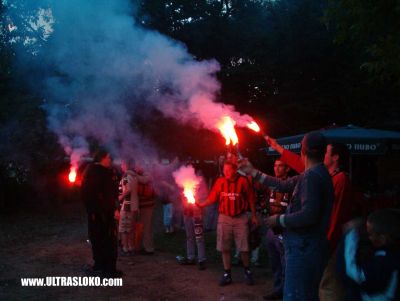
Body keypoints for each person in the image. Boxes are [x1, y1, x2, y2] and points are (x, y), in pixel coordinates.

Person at [240, 131, 334, 301]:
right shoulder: (315, 174)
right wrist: (253, 172)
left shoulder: (312, 177)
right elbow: (281, 185)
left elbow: (309, 215)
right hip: (309, 248)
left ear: (302, 151)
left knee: (297, 296)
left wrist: (279, 219)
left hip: (304, 250)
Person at [267, 137, 356, 300]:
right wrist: (278, 148)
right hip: (316, 243)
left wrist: (280, 220)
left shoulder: (339, 179)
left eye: (326, 152)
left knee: (327, 286)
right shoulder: (321, 174)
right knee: (315, 287)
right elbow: (302, 167)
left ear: (335, 157)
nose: (323, 155)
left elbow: (334, 215)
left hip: (325, 242)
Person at [197, 160, 258, 286]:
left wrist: (253, 216)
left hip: (240, 217)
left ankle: (247, 271)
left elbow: (251, 198)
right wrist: (201, 204)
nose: (225, 173)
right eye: (224, 170)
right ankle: (227, 274)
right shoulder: (220, 182)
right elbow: (212, 197)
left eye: (228, 170)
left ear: (235, 170)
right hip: (224, 218)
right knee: (224, 247)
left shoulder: (243, 181)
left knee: (244, 247)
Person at [342, 208, 400, 300]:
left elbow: (355, 273)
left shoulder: (383, 261)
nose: (368, 238)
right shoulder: (393, 255)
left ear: (382, 238)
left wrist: (351, 236)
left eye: (370, 234)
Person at [81, 149, 121, 277]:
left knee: (102, 239)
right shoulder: (100, 173)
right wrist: (112, 209)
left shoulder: (93, 171)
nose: (110, 160)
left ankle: (104, 266)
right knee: (105, 240)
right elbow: (101, 194)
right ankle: (106, 268)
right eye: (108, 157)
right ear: (101, 158)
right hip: (102, 213)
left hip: (99, 212)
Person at [263, 159, 291, 300]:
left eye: (281, 166)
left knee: (285, 262)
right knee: (274, 261)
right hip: (271, 229)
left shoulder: (292, 185)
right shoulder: (272, 185)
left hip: (285, 230)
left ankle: (286, 291)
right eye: (275, 166)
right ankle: (277, 289)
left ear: (287, 169)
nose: (277, 168)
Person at [118, 159, 139, 255]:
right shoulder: (134, 176)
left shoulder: (126, 176)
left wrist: (120, 197)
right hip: (134, 205)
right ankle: (131, 247)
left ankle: (125, 248)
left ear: (126, 165)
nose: (121, 166)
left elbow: (128, 189)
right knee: (131, 228)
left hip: (127, 206)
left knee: (124, 228)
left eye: (122, 164)